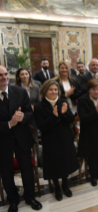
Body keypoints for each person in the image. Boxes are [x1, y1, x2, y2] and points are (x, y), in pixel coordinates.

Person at [0, 66, 42, 212]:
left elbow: (30, 113)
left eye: (5, 74)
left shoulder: (19, 91)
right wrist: (8, 124)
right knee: (6, 171)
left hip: (22, 137)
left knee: (26, 169)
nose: (4, 77)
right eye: (0, 75)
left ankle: (30, 197)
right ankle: (13, 200)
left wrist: (23, 117)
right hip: (3, 140)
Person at [33, 80, 78, 201]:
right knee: (54, 164)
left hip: (64, 137)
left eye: (55, 89)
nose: (53, 92)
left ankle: (64, 184)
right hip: (50, 140)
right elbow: (41, 126)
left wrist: (63, 114)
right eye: (50, 89)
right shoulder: (39, 106)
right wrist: (55, 116)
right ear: (44, 91)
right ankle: (57, 186)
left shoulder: (62, 102)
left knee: (65, 163)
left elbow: (70, 119)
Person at [15, 68, 41, 163]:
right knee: (23, 138)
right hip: (22, 115)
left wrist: (35, 106)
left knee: (35, 138)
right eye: (22, 74)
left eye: (26, 74)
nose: (25, 76)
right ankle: (27, 159)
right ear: (19, 77)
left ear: (29, 75)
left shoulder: (36, 87)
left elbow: (39, 102)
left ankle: (38, 159)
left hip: (33, 116)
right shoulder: (15, 87)